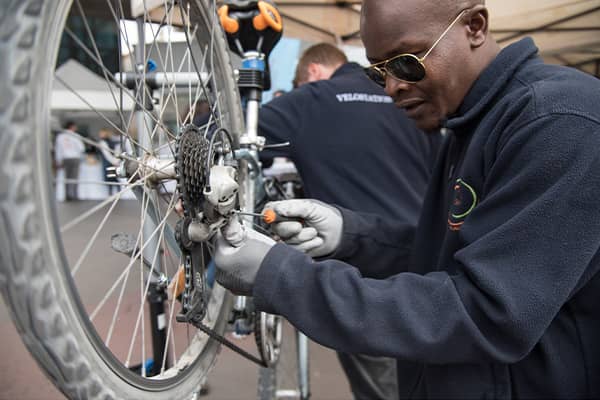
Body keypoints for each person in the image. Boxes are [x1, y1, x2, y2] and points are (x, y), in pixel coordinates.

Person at [214, 0, 600, 398]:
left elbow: (486, 312)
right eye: (378, 72)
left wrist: (282, 277)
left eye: (406, 61)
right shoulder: (470, 123)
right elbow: (450, 258)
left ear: (475, 26)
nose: (394, 86)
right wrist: (351, 236)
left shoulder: (558, 121)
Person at [258, 42, 438, 400]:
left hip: (363, 279)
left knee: (384, 390)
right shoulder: (411, 98)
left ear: (312, 72)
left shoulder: (311, 100)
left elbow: (227, 133)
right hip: (430, 266)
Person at [55, 121, 85, 201]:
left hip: (65, 159)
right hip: (75, 158)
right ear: (72, 127)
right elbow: (81, 148)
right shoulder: (75, 136)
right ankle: (75, 195)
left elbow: (58, 150)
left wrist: (58, 160)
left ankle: (67, 196)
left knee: (67, 178)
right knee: (75, 178)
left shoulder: (60, 137)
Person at [97, 128, 120, 196]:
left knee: (112, 177)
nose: (100, 135)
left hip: (110, 162)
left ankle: (117, 191)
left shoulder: (107, 142)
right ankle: (111, 192)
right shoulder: (104, 142)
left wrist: (114, 161)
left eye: (102, 133)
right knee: (109, 178)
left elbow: (108, 154)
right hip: (108, 162)